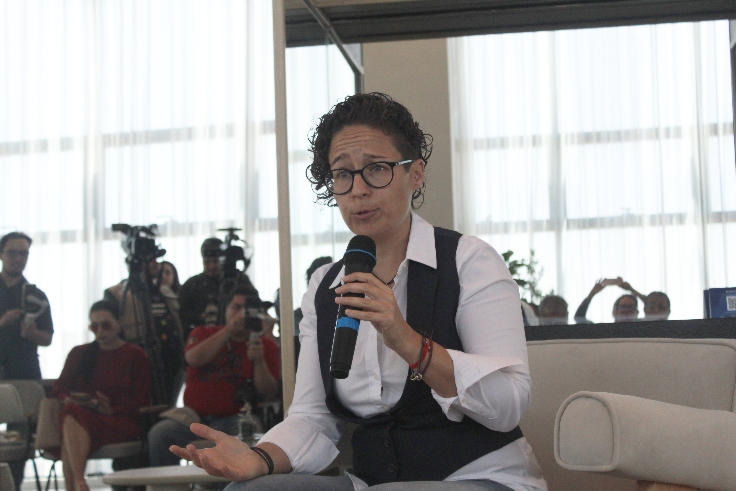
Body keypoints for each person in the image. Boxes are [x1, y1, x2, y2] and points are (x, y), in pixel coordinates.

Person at [170, 93, 546, 491]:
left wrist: (409, 342)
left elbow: (508, 405)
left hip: (478, 476)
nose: (358, 189)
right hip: (372, 483)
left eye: (376, 168)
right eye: (342, 174)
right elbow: (313, 417)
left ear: (415, 174)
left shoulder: (468, 261)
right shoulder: (325, 286)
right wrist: (259, 458)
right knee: (249, 490)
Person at [147, 286, 280, 467]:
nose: (241, 314)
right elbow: (192, 359)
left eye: (247, 309)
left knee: (252, 433)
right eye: (236, 307)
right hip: (194, 417)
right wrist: (228, 330)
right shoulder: (203, 333)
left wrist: (259, 360)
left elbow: (268, 392)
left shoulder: (265, 345)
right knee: (160, 434)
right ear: (226, 309)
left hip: (236, 418)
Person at [49, 300, 150, 491]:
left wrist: (111, 409)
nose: (100, 332)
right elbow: (58, 389)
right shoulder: (80, 353)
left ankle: (77, 484)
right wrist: (70, 399)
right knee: (71, 413)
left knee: (70, 420)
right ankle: (79, 482)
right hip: (84, 417)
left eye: (106, 325)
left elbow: (142, 401)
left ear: (120, 322)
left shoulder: (135, 355)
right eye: (94, 326)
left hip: (119, 420)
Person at [0, 232, 54, 491]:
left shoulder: (36, 295)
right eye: (13, 252)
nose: (18, 259)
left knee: (20, 439)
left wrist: (32, 333)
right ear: (2, 254)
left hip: (24, 371)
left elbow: (48, 338)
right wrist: (3, 323)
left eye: (24, 253)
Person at [104, 259, 185, 406]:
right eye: (148, 259)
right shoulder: (118, 293)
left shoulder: (165, 291)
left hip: (172, 361)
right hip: (137, 363)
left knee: (169, 407)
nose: (154, 263)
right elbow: (111, 330)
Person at [179, 238, 259, 336]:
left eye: (216, 261)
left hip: (238, 335)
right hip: (203, 337)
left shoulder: (240, 280)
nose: (212, 266)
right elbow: (181, 314)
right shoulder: (192, 284)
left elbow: (254, 306)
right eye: (207, 262)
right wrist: (201, 317)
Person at [574, 277, 641, 323]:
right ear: (615, 311)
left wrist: (632, 289)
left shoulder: (642, 327)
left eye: (630, 307)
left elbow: (648, 306)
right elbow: (579, 318)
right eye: (623, 307)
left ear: (637, 311)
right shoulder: (605, 329)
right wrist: (591, 294)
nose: (626, 310)